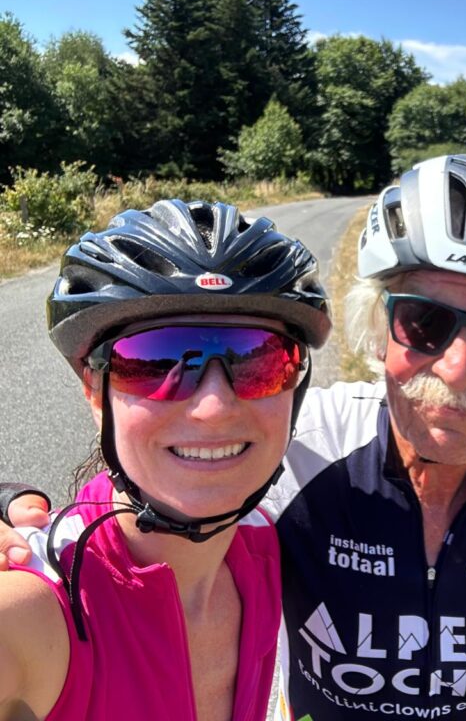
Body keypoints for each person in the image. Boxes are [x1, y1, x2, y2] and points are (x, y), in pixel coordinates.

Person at [2, 155, 466, 720]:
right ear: (378, 330)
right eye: (425, 324)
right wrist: (21, 516)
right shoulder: (295, 446)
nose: (458, 368)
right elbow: (142, 509)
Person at [0, 198, 331, 720]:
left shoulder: (264, 545)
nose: (214, 407)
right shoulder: (41, 602)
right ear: (94, 391)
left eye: (260, 360)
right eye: (156, 360)